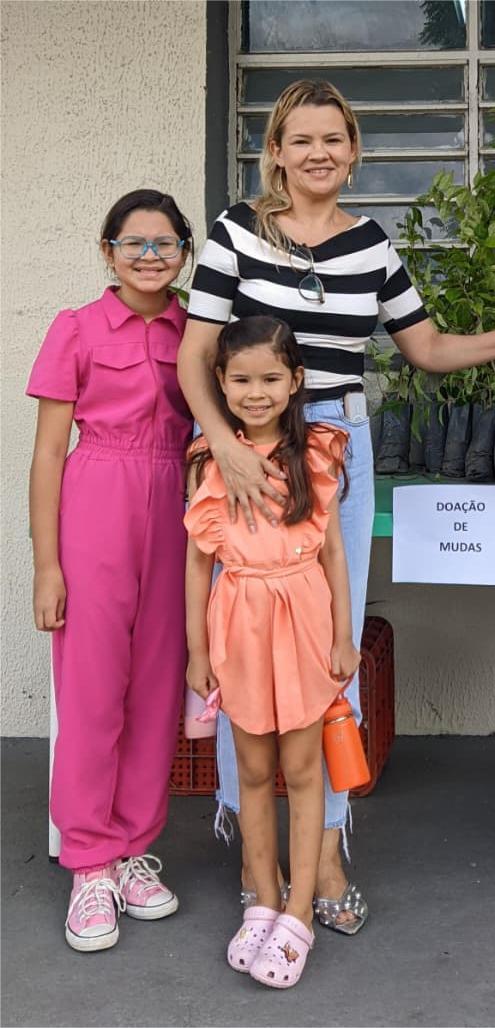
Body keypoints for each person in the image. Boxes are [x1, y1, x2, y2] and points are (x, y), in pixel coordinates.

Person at [177, 79, 495, 929]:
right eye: (302, 139)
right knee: (243, 647)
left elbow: (426, 347)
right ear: (277, 152)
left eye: (334, 139)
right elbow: (196, 357)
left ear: (354, 152)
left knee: (329, 654)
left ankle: (323, 857)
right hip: (250, 448)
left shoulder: (372, 245)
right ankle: (258, 868)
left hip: (339, 449)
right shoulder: (234, 235)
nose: (318, 152)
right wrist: (223, 445)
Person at [27, 189, 194, 951]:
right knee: (94, 688)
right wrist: (47, 567)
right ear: (107, 251)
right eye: (135, 244)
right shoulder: (77, 328)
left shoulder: (198, 330)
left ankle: (131, 848)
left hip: (175, 506)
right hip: (97, 501)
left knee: (159, 684)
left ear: (184, 253)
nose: (150, 257)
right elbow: (47, 454)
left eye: (165, 244)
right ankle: (88, 863)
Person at [184, 315, 356, 988]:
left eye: (270, 379)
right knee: (251, 769)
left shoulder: (317, 450)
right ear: (220, 383)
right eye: (241, 380)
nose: (256, 393)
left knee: (303, 769)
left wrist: (342, 634)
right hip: (241, 623)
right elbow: (199, 564)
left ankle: (298, 913)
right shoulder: (211, 458)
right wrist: (198, 652)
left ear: (295, 381)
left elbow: (335, 551)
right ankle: (260, 897)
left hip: (303, 617)